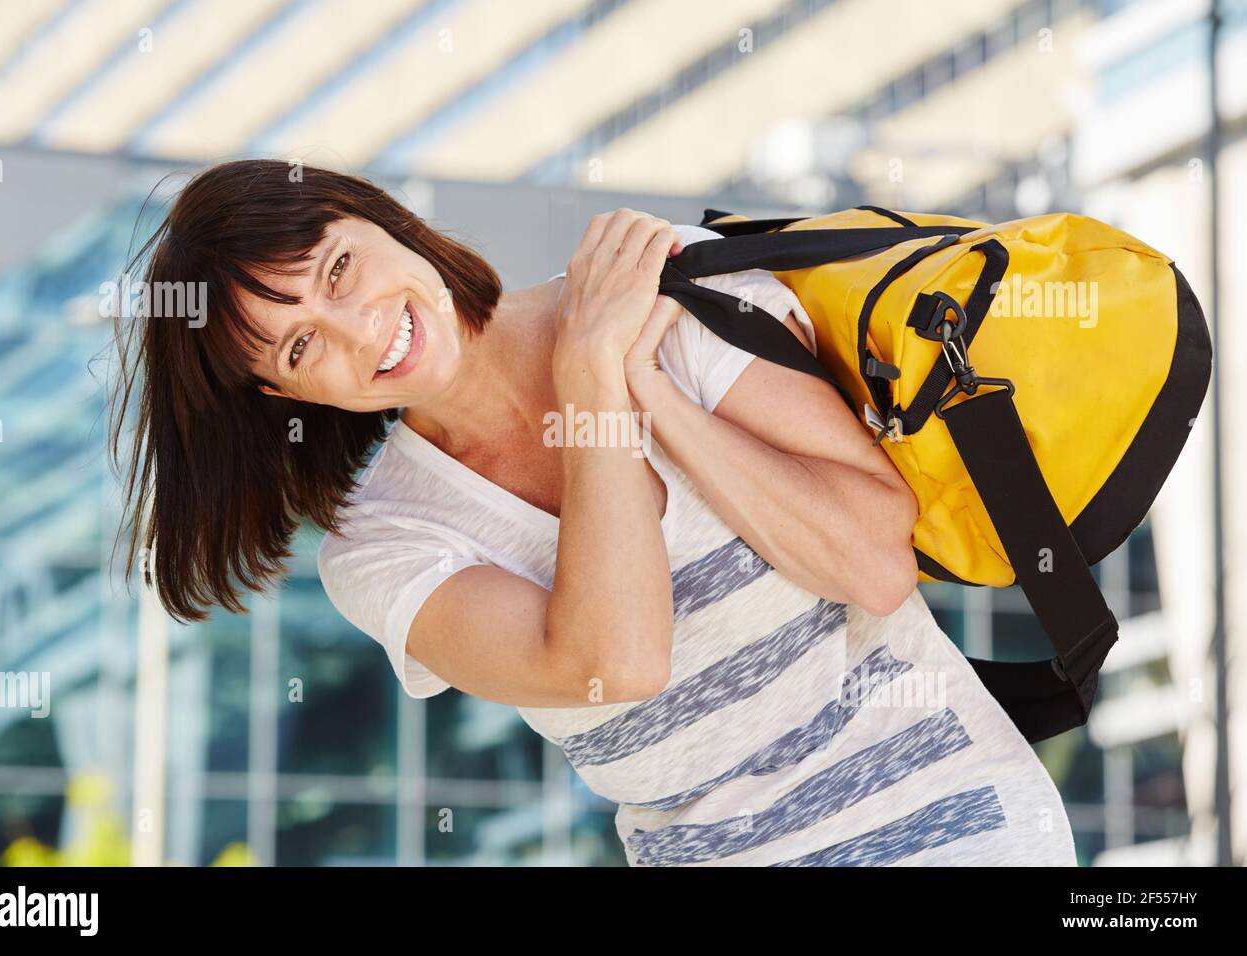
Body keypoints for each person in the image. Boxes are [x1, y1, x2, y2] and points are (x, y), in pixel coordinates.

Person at [111, 158, 1078, 867]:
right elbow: (615, 662)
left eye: (338, 272)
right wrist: (593, 380)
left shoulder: (667, 289)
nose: (362, 330)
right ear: (288, 398)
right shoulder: (385, 546)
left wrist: (646, 389)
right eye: (297, 349)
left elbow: (873, 563)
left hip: (954, 820)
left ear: (376, 216)